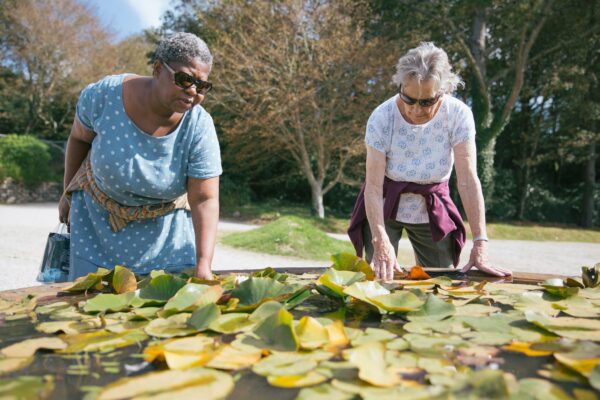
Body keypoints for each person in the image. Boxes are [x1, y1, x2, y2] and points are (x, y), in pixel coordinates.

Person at [58, 32, 222, 281]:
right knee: (86, 313)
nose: (192, 91)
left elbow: (204, 199)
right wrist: (67, 194)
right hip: (96, 228)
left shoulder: (200, 126)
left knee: (163, 315)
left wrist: (203, 265)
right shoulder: (104, 96)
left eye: (202, 85)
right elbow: (79, 138)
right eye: (185, 79)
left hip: (166, 239)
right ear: (158, 68)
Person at [348, 42, 512, 280]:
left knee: (440, 281)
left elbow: (467, 180)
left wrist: (480, 242)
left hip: (431, 207)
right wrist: (380, 239)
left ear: (444, 92)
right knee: (379, 278)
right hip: (384, 204)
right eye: (409, 99)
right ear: (401, 86)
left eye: (426, 102)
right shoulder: (381, 118)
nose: (415, 110)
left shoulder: (458, 115)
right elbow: (372, 186)